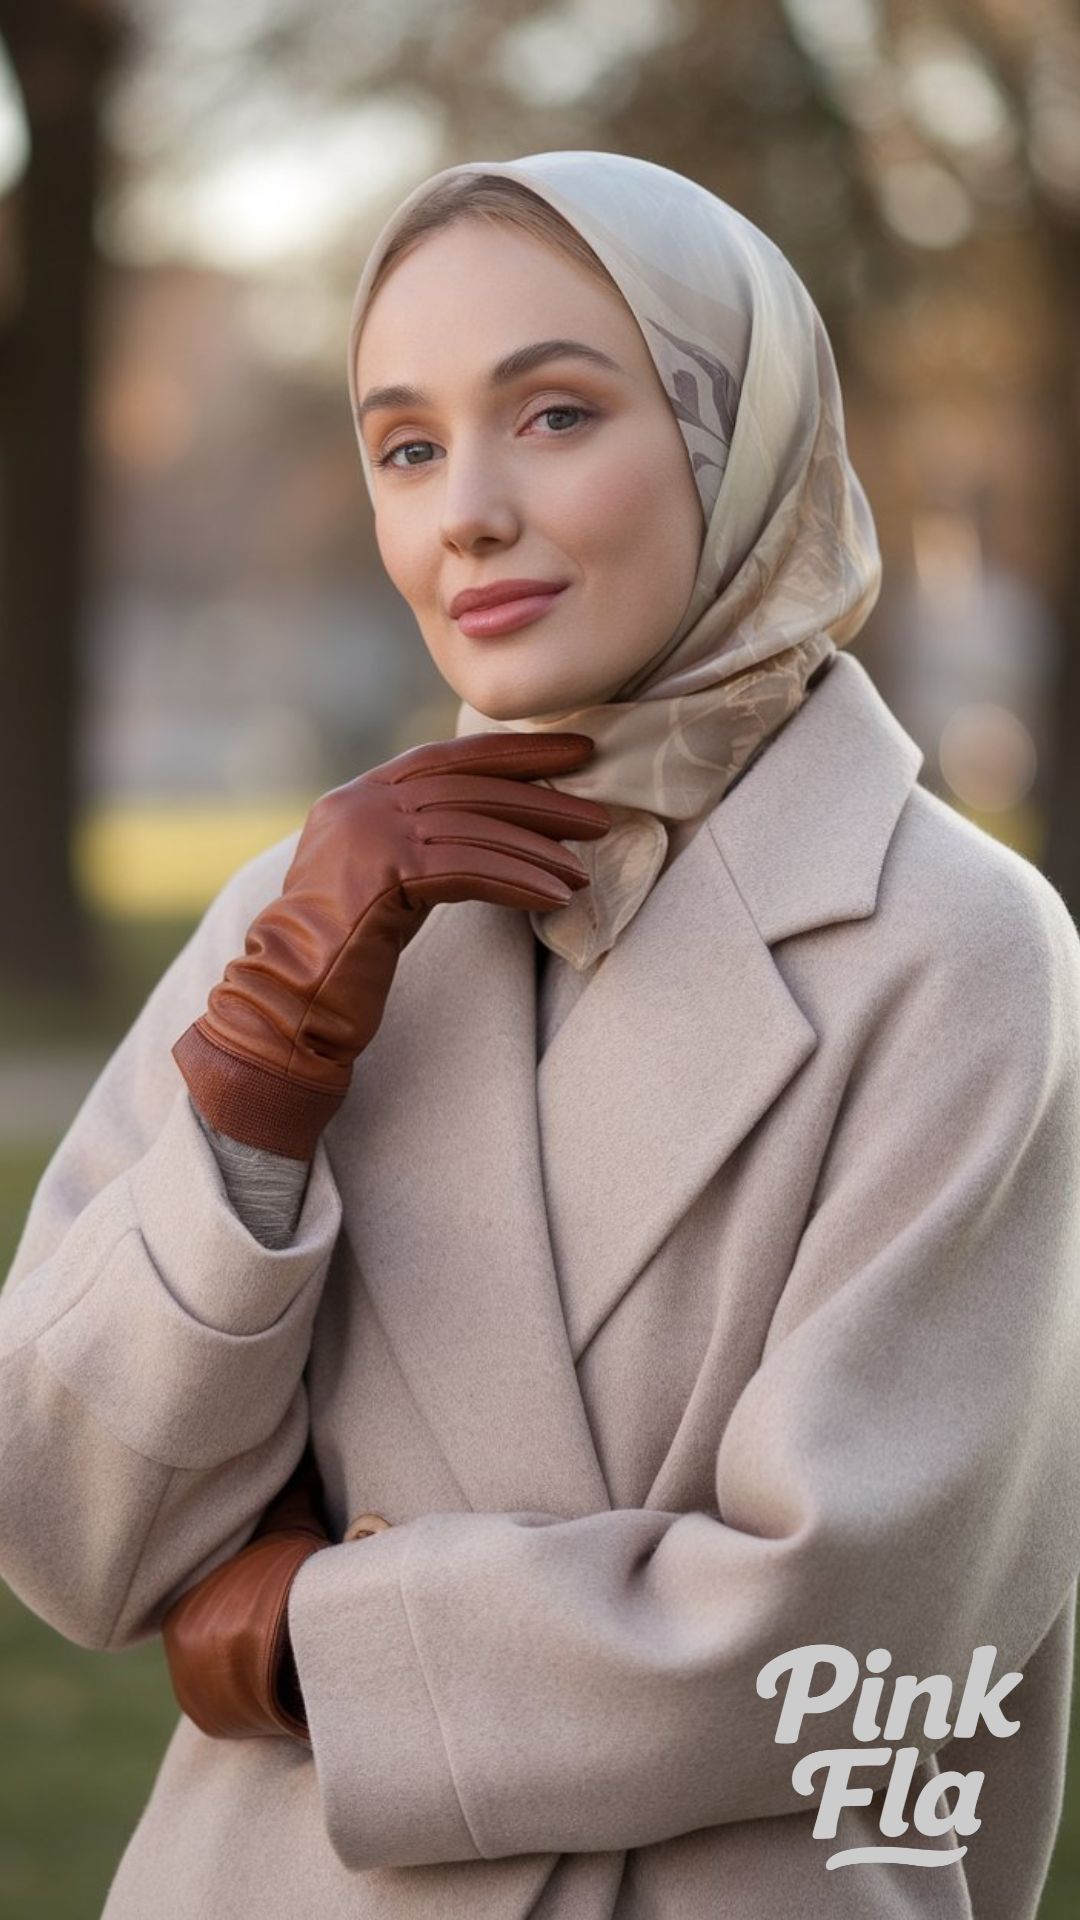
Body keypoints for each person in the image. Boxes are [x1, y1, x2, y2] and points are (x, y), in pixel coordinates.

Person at [0, 150, 1078, 1920]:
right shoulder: (310, 907)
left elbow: (850, 1632)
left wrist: (312, 1644)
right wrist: (260, 1080)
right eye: (406, 447)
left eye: (557, 414)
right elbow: (71, 1533)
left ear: (740, 441)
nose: (467, 513)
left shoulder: (960, 950)